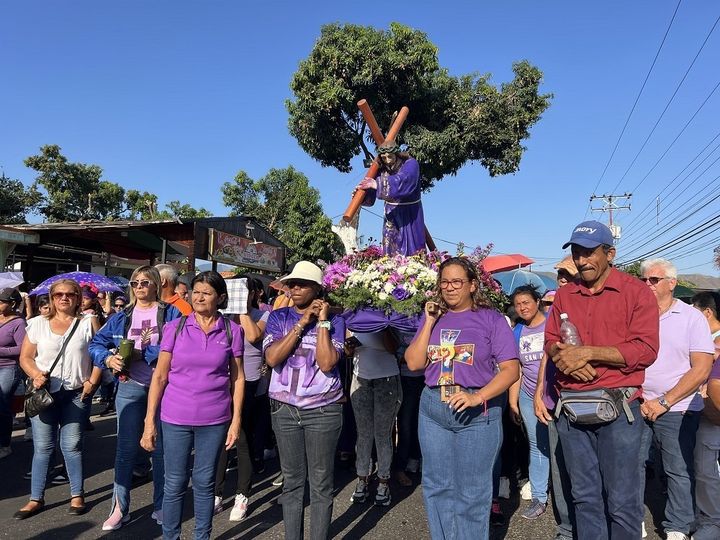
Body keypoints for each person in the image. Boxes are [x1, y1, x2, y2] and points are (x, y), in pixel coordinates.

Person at [544, 220, 660, 540]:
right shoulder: (566, 295)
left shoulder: (636, 292)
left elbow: (646, 349)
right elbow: (551, 340)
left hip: (619, 409)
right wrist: (563, 356)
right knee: (584, 497)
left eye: (589, 253)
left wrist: (588, 353)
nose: (582, 260)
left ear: (610, 253)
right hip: (572, 407)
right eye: (577, 253)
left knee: (622, 501)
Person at [405, 257, 520, 540]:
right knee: (436, 486)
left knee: (472, 491)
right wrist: (429, 321)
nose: (450, 288)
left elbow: (511, 370)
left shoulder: (491, 319)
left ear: (472, 285)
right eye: (444, 282)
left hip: (476, 412)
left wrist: (477, 396)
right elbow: (413, 364)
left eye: (457, 282)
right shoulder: (434, 318)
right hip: (433, 408)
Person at [141, 270, 244, 540]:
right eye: (196, 291)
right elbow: (160, 376)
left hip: (215, 418)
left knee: (204, 482)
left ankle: (202, 536)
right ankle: (170, 536)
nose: (199, 297)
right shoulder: (175, 328)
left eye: (206, 293)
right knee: (174, 483)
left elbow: (238, 378)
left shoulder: (233, 331)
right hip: (175, 416)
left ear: (220, 298)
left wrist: (236, 420)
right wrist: (149, 420)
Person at [89, 265, 182, 531]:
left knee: (162, 450)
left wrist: (146, 354)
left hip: (164, 387)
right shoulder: (122, 316)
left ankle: (162, 504)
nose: (139, 287)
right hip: (129, 385)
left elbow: (179, 346)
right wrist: (108, 358)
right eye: (134, 283)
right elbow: (95, 343)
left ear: (155, 284)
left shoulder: (171, 313)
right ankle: (120, 508)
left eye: (144, 282)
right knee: (126, 450)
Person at [263, 261, 345, 540]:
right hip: (285, 409)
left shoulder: (336, 321)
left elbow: (326, 363)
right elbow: (273, 358)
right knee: (292, 483)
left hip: (323, 410)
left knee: (321, 484)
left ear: (318, 288)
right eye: (292, 284)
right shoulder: (279, 317)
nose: (295, 288)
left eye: (302, 284)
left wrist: (321, 321)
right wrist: (302, 322)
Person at [637, 259, 714, 540]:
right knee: (631, 466)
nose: (647, 284)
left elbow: (701, 368)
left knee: (677, 470)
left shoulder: (691, 318)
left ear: (672, 283)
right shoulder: (635, 315)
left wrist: (664, 402)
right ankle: (633, 519)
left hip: (677, 407)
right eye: (644, 279)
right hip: (637, 402)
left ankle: (678, 525)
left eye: (653, 280)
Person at [15, 279, 102, 519]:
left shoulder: (87, 322)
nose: (64, 298)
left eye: (71, 294)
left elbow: (100, 354)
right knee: (43, 447)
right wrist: (34, 374)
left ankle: (77, 494)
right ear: (52, 298)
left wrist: (92, 382)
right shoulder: (36, 324)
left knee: (72, 445)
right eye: (59, 294)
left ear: (78, 298)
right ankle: (35, 498)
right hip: (46, 394)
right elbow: (26, 357)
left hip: (76, 392)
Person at [214, 275, 270, 521]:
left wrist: (242, 309)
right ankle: (216, 491)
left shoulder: (263, 316)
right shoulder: (222, 317)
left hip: (248, 382)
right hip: (220, 382)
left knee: (242, 437)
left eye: (244, 290)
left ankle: (242, 494)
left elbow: (253, 337)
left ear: (254, 293)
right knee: (220, 437)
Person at [347, 328, 402, 506]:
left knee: (382, 434)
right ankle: (362, 479)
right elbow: (348, 353)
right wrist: (350, 346)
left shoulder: (388, 312)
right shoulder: (354, 315)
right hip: (360, 378)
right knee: (363, 433)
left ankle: (383, 482)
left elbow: (394, 347)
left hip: (387, 379)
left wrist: (382, 325)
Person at [508, 285, 550, 520]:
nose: (522, 307)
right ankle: (539, 496)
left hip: (554, 395)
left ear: (538, 302)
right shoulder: (517, 331)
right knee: (537, 444)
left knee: (560, 445)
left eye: (527, 302)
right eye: (518, 304)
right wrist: (513, 401)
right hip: (527, 394)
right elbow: (518, 368)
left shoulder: (552, 324)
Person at [357, 140, 426, 256]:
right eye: (384, 158)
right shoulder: (381, 169)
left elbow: (405, 181)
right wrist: (361, 194)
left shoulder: (410, 164)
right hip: (391, 214)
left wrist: (377, 184)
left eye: (390, 156)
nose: (387, 160)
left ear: (397, 154)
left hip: (410, 214)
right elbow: (370, 198)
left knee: (412, 250)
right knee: (391, 250)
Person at [690, 291, 720, 540]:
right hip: (707, 415)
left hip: (713, 415)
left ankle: (711, 521)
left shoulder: (716, 343)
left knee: (708, 471)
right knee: (706, 471)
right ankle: (709, 520)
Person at [0, 287, 26, 459]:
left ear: (13, 304)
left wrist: (1, 351)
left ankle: (4, 444)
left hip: (9, 368)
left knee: (2, 404)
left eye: (2, 302)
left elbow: (22, 348)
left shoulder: (19, 323)